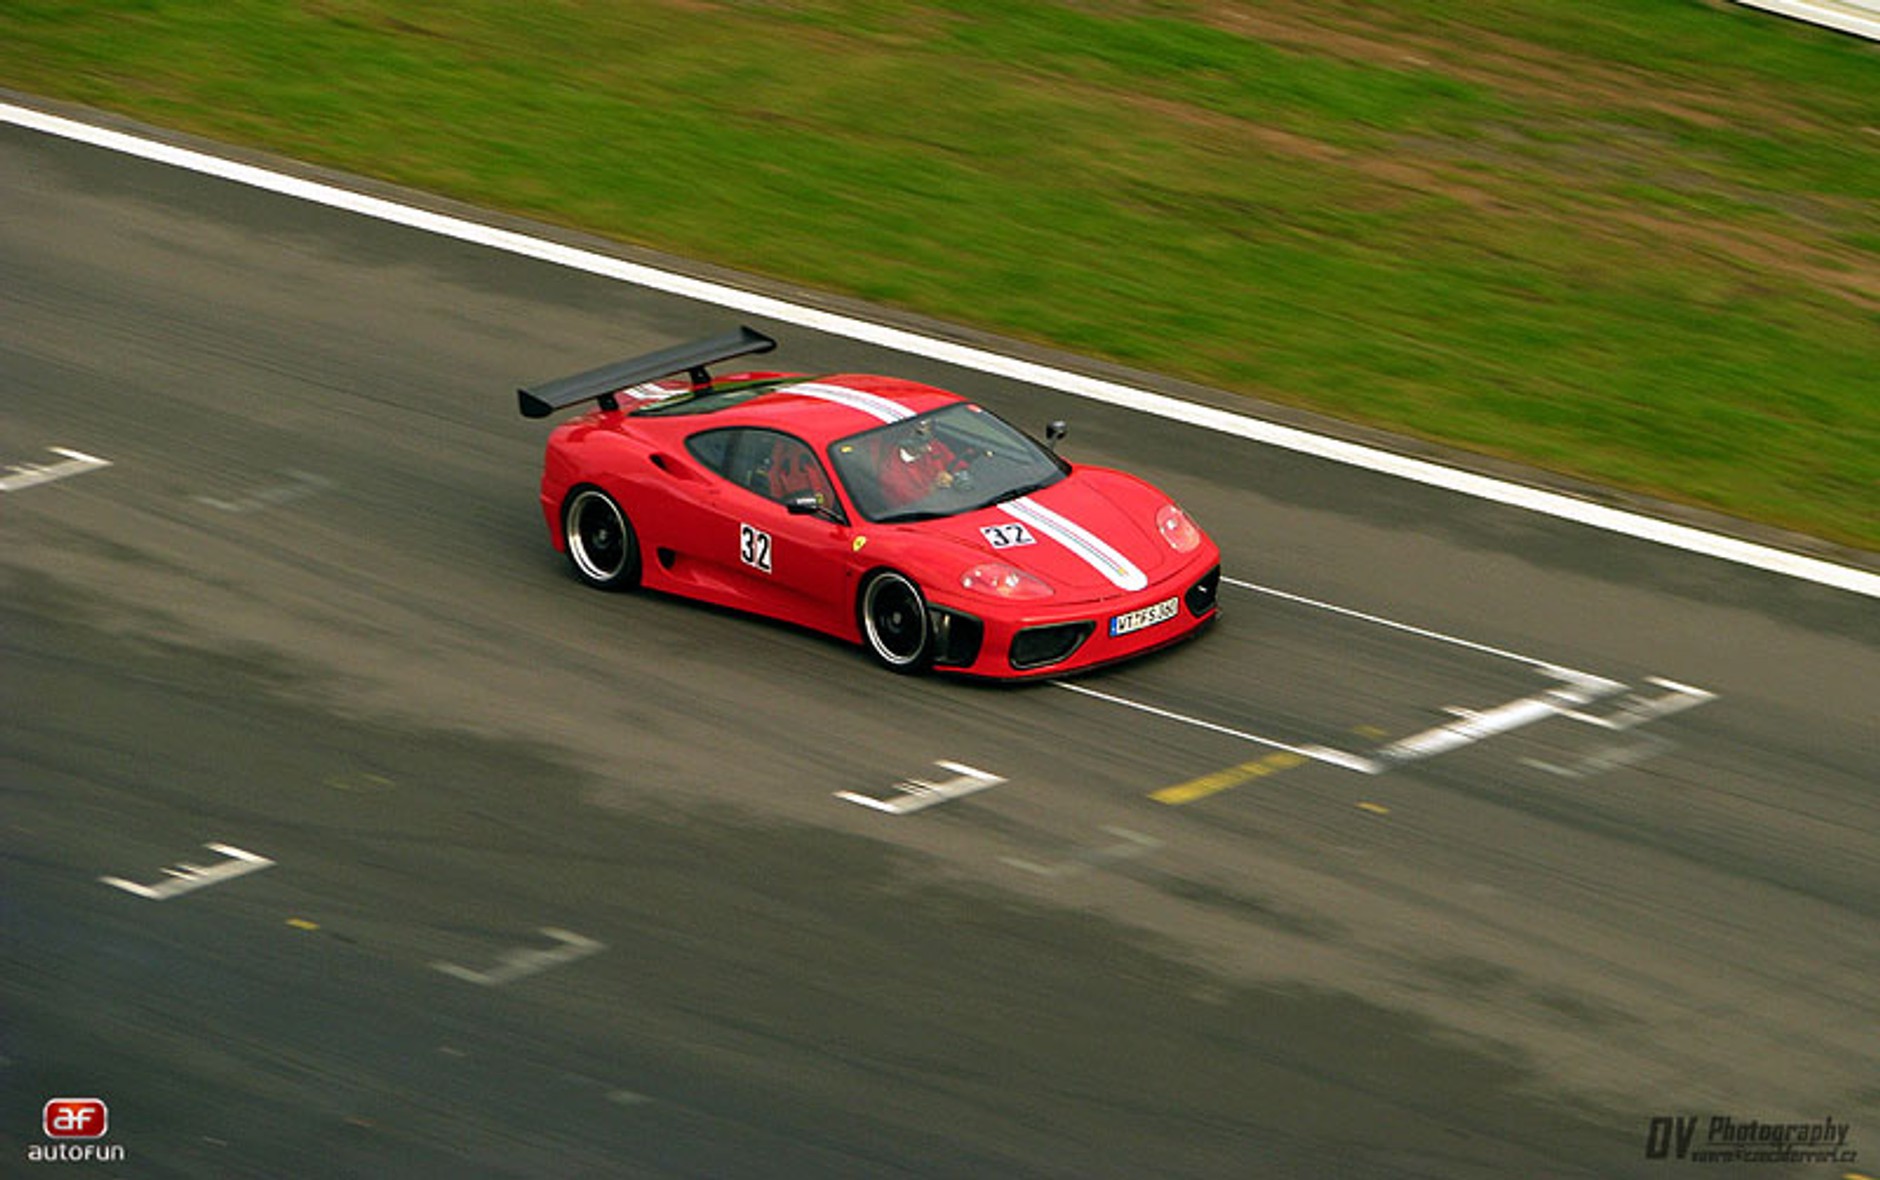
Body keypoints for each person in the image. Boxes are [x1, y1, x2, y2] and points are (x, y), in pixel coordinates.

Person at [876, 419, 959, 508]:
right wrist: (933, 489)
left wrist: (955, 476)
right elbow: (908, 506)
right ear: (905, 439)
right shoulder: (891, 474)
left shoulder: (935, 446)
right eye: (920, 438)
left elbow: (960, 465)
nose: (929, 448)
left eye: (929, 435)